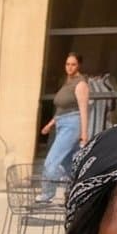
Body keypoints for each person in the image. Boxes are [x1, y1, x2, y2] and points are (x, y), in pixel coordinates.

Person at [38, 53, 90, 201]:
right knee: (68, 164)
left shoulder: (81, 84)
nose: (70, 67)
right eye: (67, 64)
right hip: (61, 123)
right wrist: (49, 125)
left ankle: (47, 194)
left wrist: (84, 135)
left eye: (73, 64)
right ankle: (79, 189)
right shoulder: (67, 82)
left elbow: (83, 110)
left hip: (72, 124)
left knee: (52, 160)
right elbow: (61, 109)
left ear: (78, 65)